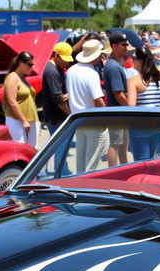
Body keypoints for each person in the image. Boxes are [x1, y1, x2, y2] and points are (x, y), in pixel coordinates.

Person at [65, 39, 108, 173]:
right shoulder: (91, 73)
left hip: (78, 118)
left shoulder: (71, 70)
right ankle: (88, 186)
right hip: (92, 120)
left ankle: (78, 184)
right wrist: (107, 116)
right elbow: (98, 100)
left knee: (81, 157)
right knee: (92, 160)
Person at [127, 46, 160, 160]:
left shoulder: (134, 81)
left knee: (140, 162)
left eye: (134, 59)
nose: (132, 61)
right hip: (157, 126)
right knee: (152, 159)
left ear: (140, 61)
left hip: (139, 127)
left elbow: (131, 107)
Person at [42, 42, 73, 174]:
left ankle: (60, 169)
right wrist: (70, 114)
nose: (67, 64)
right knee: (60, 145)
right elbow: (57, 98)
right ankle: (61, 171)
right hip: (56, 117)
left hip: (55, 115)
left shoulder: (55, 68)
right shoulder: (52, 72)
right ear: (56, 55)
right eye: (64, 60)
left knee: (58, 145)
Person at [103, 32, 130, 166]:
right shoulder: (113, 67)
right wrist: (131, 109)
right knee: (115, 144)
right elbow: (118, 93)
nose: (126, 47)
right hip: (118, 112)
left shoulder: (114, 65)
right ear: (114, 46)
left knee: (122, 144)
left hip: (119, 112)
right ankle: (112, 171)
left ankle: (124, 167)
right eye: (123, 45)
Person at [2, 51, 39, 147]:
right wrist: (23, 121)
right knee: (20, 149)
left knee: (32, 152)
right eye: (29, 65)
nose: (32, 67)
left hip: (29, 120)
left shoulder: (22, 78)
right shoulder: (12, 77)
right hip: (17, 120)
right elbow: (12, 101)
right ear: (20, 63)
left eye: (32, 64)